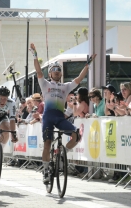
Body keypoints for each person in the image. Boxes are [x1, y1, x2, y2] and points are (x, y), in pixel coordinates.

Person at [30, 42, 96, 184]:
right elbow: (38, 72)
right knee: (47, 143)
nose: (57, 71)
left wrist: (88, 64)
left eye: (59, 70)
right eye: (54, 69)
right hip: (48, 117)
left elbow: (78, 79)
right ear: (50, 73)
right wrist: (35, 55)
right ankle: (46, 170)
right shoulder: (45, 84)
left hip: (60, 118)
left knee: (76, 135)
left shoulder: (65, 86)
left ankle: (62, 153)